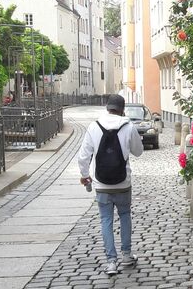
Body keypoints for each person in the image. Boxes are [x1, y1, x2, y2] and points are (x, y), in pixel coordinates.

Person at [78, 94, 143, 275]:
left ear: (107, 108)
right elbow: (138, 152)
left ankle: (111, 262)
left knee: (105, 220)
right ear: (123, 109)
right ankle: (127, 255)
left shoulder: (94, 126)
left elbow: (83, 157)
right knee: (125, 216)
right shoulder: (128, 126)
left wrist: (85, 176)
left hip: (101, 183)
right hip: (123, 182)